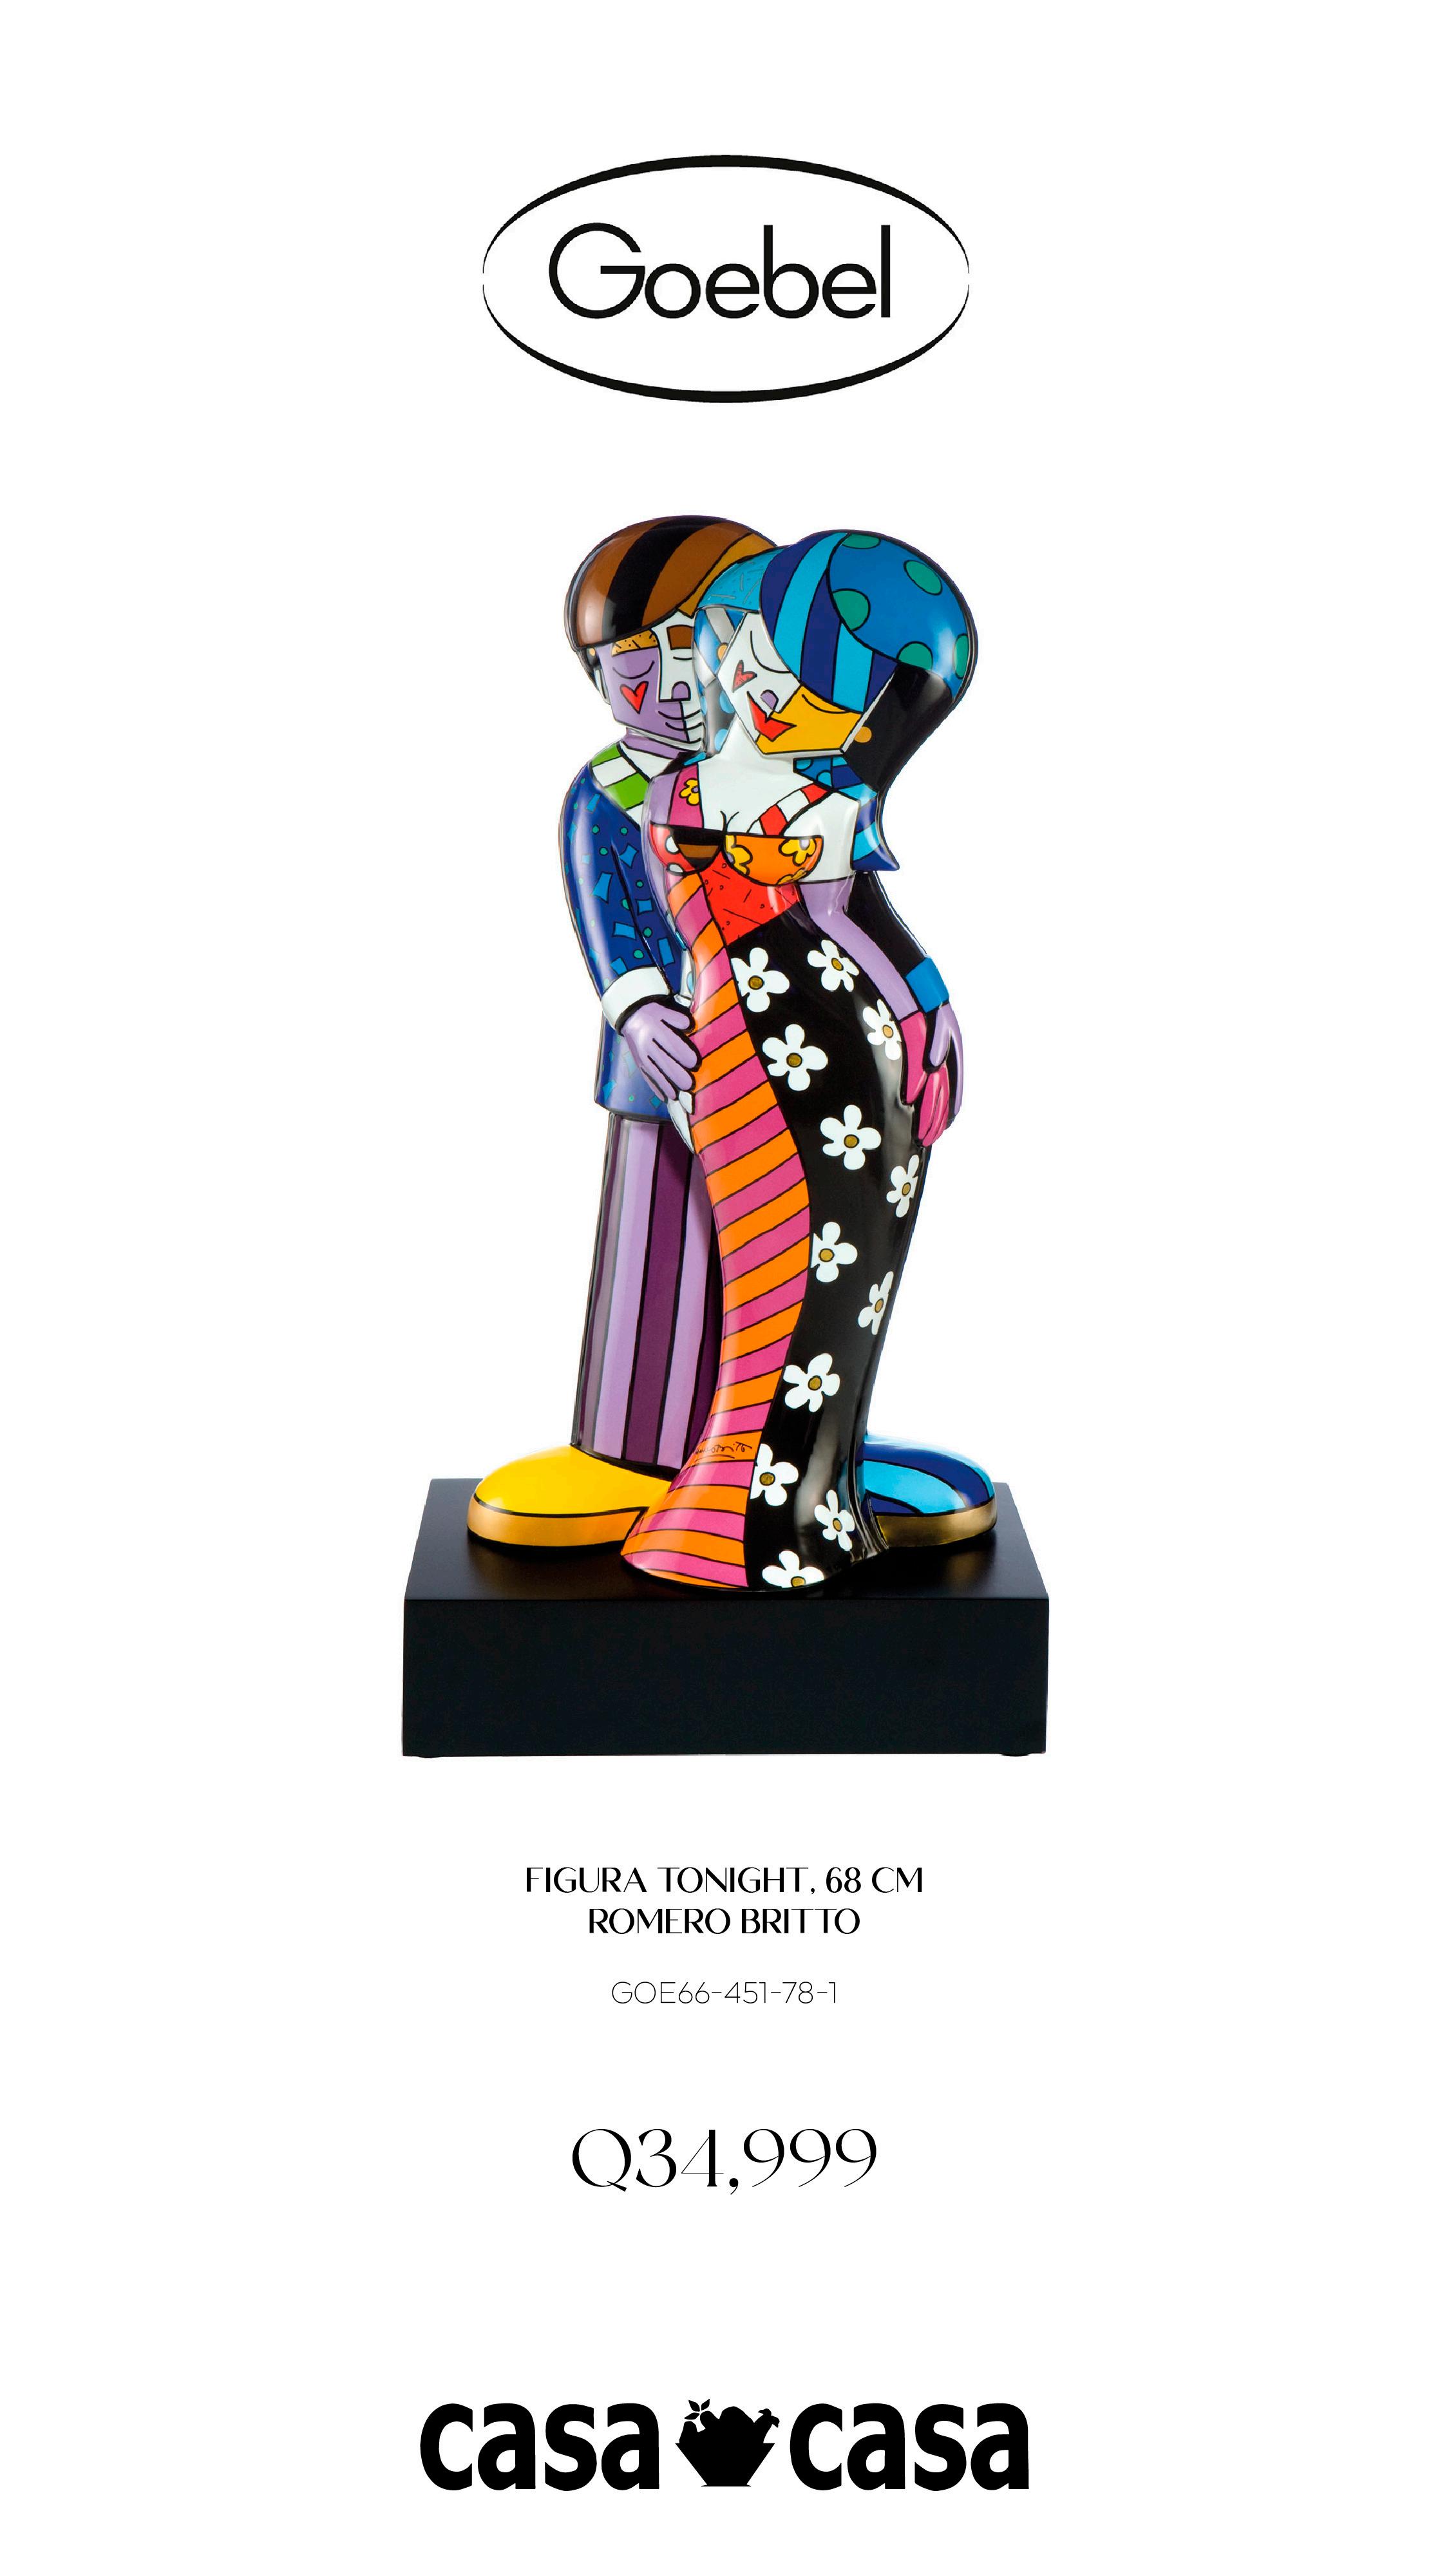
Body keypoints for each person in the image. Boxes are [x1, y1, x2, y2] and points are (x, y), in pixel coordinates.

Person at [469, 521, 994, 1558]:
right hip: (666, 1056)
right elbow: (606, 910)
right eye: (640, 662)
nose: (680, 684)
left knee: (799, 1261)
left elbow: (850, 907)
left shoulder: (796, 787)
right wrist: (635, 1004)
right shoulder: (617, 792)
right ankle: (628, 1454)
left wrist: (921, 1002)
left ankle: (810, 1451)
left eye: (698, 647)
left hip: (800, 1062)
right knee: (659, 1246)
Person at [621, 531, 987, 1590]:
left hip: (848, 1062)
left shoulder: (828, 810)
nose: (759, 686)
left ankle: (793, 1521)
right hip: (736, 1055)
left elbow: (858, 921)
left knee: (829, 1279)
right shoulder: (678, 789)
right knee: (762, 1275)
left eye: (814, 688)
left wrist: (926, 1009)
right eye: (749, 651)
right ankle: (746, 1511)